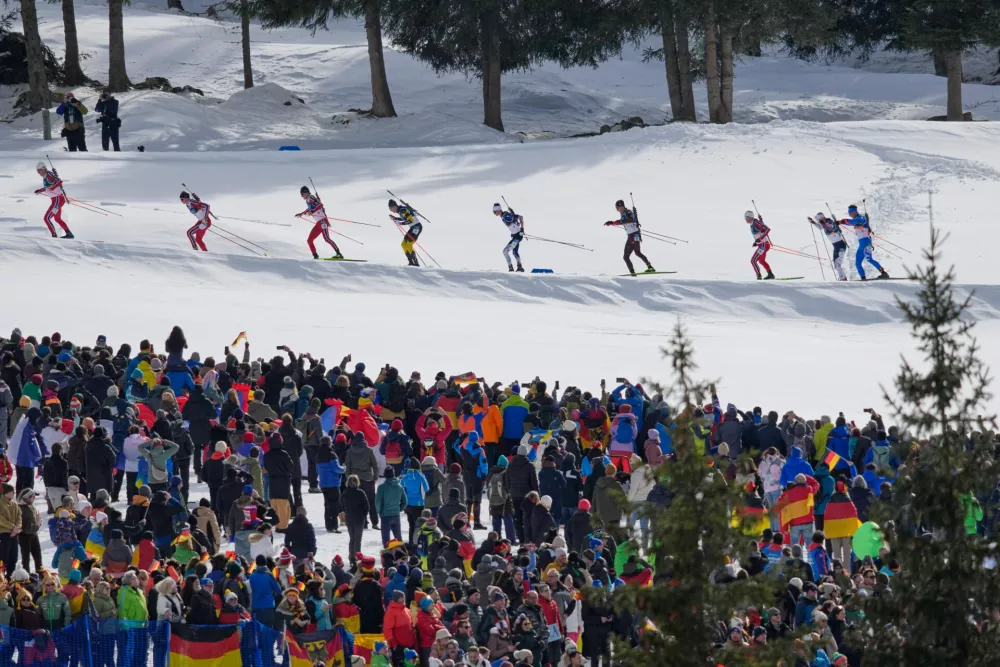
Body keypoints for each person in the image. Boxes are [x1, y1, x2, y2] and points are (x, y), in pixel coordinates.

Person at [604, 198, 654, 276]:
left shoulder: (628, 212)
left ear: (621, 206)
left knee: (629, 255)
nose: (617, 209)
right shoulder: (623, 214)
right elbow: (622, 222)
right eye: (616, 208)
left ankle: (637, 271)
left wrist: (619, 222)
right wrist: (611, 223)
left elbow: (630, 219)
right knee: (632, 255)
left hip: (634, 235)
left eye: (617, 207)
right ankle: (640, 271)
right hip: (631, 235)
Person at [840, 204, 890, 281]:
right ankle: (864, 278)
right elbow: (853, 222)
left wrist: (842, 221)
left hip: (865, 242)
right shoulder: (856, 219)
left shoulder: (861, 217)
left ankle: (883, 273)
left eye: (850, 212)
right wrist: (841, 222)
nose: (849, 214)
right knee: (858, 263)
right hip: (862, 243)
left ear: (854, 212)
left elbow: (856, 221)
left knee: (868, 259)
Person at [297, 186, 343, 260]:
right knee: (309, 240)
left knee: (327, 239)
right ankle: (315, 256)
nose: (301, 196)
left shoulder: (311, 197)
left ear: (305, 193)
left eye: (302, 194)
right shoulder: (307, 200)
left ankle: (339, 254)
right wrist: (301, 213)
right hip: (318, 224)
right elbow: (310, 208)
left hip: (322, 221)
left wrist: (312, 211)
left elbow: (320, 205)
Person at [34, 163, 74, 239]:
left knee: (46, 218)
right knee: (57, 218)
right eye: (38, 171)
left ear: (44, 169)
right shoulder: (45, 176)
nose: (39, 173)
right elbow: (48, 187)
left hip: (57, 200)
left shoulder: (48, 174)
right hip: (56, 200)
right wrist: (40, 190)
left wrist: (53, 187)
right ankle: (69, 234)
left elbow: (59, 181)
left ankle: (54, 236)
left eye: (40, 170)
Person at [808, 212, 847, 281]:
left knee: (837, 264)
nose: (819, 221)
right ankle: (843, 278)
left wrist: (821, 223)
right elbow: (820, 227)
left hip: (840, 245)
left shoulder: (829, 222)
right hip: (836, 246)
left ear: (821, 218)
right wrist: (813, 222)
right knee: (836, 264)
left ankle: (842, 279)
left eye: (819, 220)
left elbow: (829, 227)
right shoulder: (824, 223)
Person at [389, 198, 423, 266]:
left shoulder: (402, 210)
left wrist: (400, 223)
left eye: (391, 209)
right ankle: (410, 262)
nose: (391, 211)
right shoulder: (400, 210)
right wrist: (395, 218)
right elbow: (404, 218)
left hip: (417, 227)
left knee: (409, 244)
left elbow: (410, 221)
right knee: (403, 244)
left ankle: (415, 263)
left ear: (394, 206)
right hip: (413, 227)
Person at [492, 203, 525, 272]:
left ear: (498, 210)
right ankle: (519, 267)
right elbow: (515, 223)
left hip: (518, 237)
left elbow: (520, 217)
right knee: (515, 252)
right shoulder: (503, 215)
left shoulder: (506, 215)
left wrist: (522, 230)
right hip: (516, 236)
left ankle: (511, 268)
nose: (494, 213)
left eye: (494, 212)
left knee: (505, 251)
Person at [745, 209, 774, 280]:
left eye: (746, 217)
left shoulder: (755, 222)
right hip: (762, 245)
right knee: (761, 261)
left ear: (750, 217)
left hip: (763, 245)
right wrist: (756, 242)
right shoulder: (753, 223)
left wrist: (760, 239)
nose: (745, 219)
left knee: (753, 261)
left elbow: (767, 229)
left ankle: (759, 276)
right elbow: (759, 232)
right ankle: (770, 274)